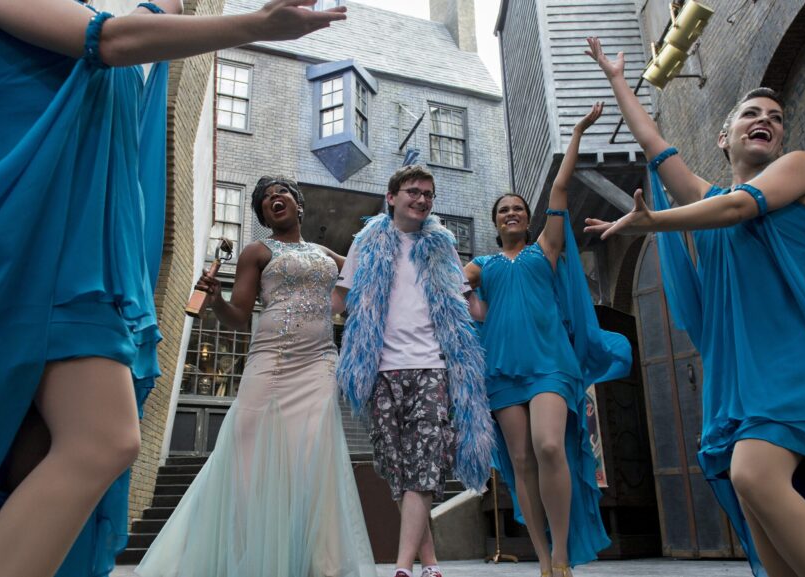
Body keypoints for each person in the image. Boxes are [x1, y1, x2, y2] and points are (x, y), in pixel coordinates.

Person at [0, 2, 345, 576]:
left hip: (89, 263)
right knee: (103, 440)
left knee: (29, 470)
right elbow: (106, 39)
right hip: (30, 248)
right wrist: (257, 25)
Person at [583, 36, 805, 577]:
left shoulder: (799, 170)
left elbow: (739, 207)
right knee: (764, 527)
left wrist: (652, 222)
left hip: (798, 367)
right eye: (752, 114)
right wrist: (619, 81)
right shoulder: (704, 203)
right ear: (724, 136)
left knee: (753, 475)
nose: (767, 120)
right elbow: (658, 149)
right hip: (740, 379)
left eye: (776, 118)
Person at [135, 177, 375, 577]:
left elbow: (366, 278)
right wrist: (215, 300)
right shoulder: (256, 251)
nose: (273, 199)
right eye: (265, 199)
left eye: (281, 192)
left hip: (318, 364)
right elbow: (237, 317)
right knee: (247, 452)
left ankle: (322, 563)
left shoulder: (324, 253)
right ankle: (243, 555)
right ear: (264, 214)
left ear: (299, 205)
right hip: (271, 362)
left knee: (314, 458)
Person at [463, 102, 632, 577]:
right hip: (502, 370)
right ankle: (542, 558)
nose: (512, 213)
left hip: (551, 364)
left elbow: (559, 187)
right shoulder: (485, 266)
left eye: (518, 208)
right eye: (504, 210)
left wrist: (576, 132)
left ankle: (561, 552)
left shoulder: (546, 249)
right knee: (520, 461)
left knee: (550, 447)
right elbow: (448, 287)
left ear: (527, 217)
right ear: (495, 222)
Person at [333, 164, 495, 577]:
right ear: (392, 197)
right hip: (382, 371)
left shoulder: (441, 245)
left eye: (428, 193)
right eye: (413, 191)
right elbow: (340, 299)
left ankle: (402, 568)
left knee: (424, 466)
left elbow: (466, 304)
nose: (421, 199)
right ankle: (430, 562)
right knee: (398, 471)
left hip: (431, 368)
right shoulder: (366, 243)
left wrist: (506, 305)